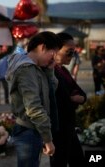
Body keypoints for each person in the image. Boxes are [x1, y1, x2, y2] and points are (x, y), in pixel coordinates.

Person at [6, 31, 62, 167]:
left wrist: (49, 70)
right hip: (29, 131)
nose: (54, 58)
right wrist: (47, 139)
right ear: (42, 47)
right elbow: (34, 107)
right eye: (53, 53)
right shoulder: (27, 69)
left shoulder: (35, 67)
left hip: (32, 129)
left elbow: (51, 90)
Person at [50, 32, 87, 167]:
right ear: (55, 50)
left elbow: (82, 94)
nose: (72, 56)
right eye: (69, 52)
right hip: (58, 130)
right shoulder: (49, 73)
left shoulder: (63, 71)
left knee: (78, 161)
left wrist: (76, 98)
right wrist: (74, 98)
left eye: (74, 52)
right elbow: (61, 100)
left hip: (69, 127)